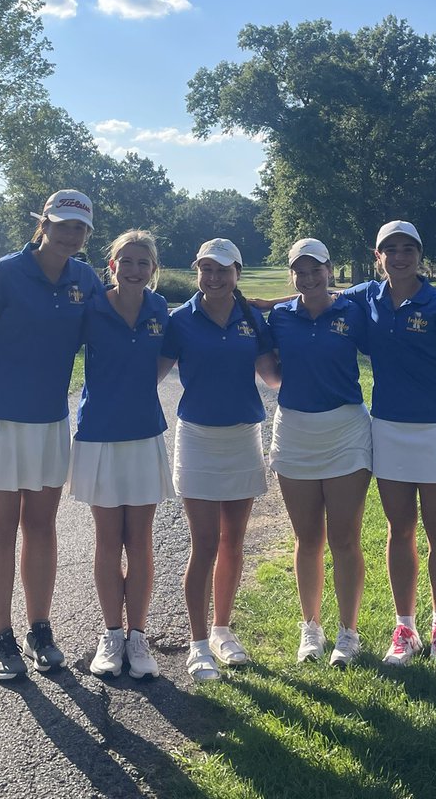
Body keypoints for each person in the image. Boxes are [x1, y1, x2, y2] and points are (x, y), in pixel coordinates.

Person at [0, 189, 101, 682]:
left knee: (41, 527)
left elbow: (116, 327)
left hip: (50, 421)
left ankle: (39, 630)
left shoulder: (85, 278)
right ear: (44, 224)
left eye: (79, 227)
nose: (69, 234)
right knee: (0, 529)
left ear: (87, 234)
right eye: (61, 224)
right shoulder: (4, 272)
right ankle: (0, 637)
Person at [345, 220, 436, 670]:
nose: (399, 257)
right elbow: (314, 294)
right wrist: (254, 302)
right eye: (390, 250)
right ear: (377, 254)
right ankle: (406, 628)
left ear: (419, 254)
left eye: (408, 249)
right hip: (388, 429)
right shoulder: (367, 296)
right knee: (398, 530)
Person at [158, 238, 280, 682]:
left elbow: (272, 375)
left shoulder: (252, 319)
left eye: (223, 270)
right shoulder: (180, 320)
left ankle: (222, 631)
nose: (214, 277)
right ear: (197, 272)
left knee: (233, 541)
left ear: (237, 274)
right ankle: (196, 644)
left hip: (244, 435)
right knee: (204, 543)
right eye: (206, 269)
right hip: (196, 438)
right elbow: (152, 372)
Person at [68, 230, 174, 681]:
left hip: (144, 432)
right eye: (126, 261)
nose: (134, 269)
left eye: (142, 262)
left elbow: (163, 361)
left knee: (141, 539)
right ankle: (111, 634)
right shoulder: (91, 307)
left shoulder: (159, 309)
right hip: (99, 434)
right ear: (112, 266)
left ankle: (138, 635)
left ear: (153, 269)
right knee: (108, 539)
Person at [268, 238, 372, 668]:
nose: (309, 278)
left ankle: (349, 634)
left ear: (330, 269)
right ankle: (311, 629)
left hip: (346, 429)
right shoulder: (278, 316)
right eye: (300, 271)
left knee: (344, 538)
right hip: (294, 432)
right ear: (292, 274)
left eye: (316, 270)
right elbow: (267, 364)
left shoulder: (354, 310)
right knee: (306, 538)